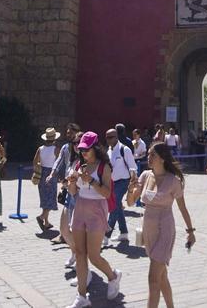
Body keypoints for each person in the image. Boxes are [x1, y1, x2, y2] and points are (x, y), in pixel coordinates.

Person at [125, 142, 194, 308]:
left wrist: (190, 231)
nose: (148, 158)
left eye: (152, 155)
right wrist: (130, 189)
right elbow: (130, 202)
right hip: (149, 230)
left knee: (153, 278)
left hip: (165, 229)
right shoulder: (145, 176)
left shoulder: (173, 181)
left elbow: (182, 207)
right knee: (161, 277)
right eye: (148, 154)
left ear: (162, 159)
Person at [66, 131, 122, 307]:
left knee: (94, 256)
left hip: (97, 210)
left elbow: (106, 193)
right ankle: (82, 296)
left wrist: (90, 180)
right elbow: (73, 192)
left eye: (87, 150)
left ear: (95, 148)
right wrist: (71, 183)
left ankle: (113, 276)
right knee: (80, 254)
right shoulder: (79, 165)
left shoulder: (103, 166)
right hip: (80, 207)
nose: (83, 153)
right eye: (81, 149)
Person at [104, 128, 139, 247]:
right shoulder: (108, 151)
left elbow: (133, 166)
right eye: (107, 138)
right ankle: (123, 233)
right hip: (112, 183)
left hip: (124, 181)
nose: (109, 140)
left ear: (116, 137)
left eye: (111, 137)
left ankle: (105, 236)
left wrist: (134, 179)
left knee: (114, 206)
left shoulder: (125, 149)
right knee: (117, 206)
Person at [53, 124, 81, 247]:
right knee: (67, 208)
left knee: (74, 211)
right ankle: (64, 234)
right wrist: (53, 173)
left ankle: (73, 237)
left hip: (79, 188)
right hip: (68, 183)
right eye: (67, 133)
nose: (68, 135)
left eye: (70, 133)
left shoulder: (83, 150)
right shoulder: (66, 147)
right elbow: (59, 161)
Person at [34, 127, 61, 232]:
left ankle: (46, 222)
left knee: (45, 197)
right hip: (51, 174)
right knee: (51, 198)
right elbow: (59, 162)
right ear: (54, 138)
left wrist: (41, 165)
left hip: (42, 174)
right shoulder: (56, 149)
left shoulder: (40, 149)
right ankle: (41, 217)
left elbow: (35, 162)